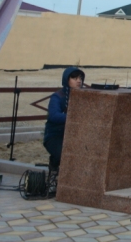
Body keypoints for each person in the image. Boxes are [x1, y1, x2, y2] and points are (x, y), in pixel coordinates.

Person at [43, 66, 85, 197]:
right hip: (55, 135)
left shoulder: (84, 96)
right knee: (63, 153)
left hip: (75, 135)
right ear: (66, 80)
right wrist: (74, 117)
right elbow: (53, 116)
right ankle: (54, 173)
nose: (78, 81)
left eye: (80, 78)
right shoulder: (58, 97)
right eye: (74, 78)